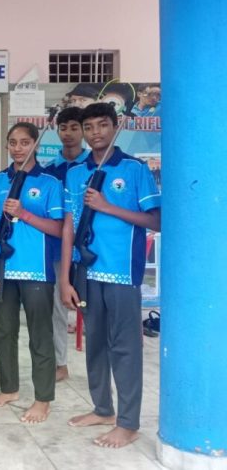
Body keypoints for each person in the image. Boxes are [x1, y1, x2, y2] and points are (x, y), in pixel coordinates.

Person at [60, 102, 161, 448]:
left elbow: (156, 221)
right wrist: (64, 277)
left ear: (116, 127)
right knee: (95, 346)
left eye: (103, 125)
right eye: (89, 127)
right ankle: (103, 408)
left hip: (121, 272)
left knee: (125, 348)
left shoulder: (134, 169)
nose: (95, 133)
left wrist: (107, 207)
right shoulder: (75, 173)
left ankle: (128, 422)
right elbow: (70, 223)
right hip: (86, 271)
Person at [0, 123, 64, 424]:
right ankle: (9, 389)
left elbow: (58, 229)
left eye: (25, 142)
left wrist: (24, 213)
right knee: (3, 332)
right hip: (2, 268)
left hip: (37, 272)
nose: (18, 148)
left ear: (35, 145)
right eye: (12, 142)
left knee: (40, 336)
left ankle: (43, 399)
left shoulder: (51, 184)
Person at [43, 107, 89, 382]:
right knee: (56, 308)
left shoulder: (95, 166)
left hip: (90, 250)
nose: (68, 133)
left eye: (75, 127)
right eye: (64, 128)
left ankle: (102, 366)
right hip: (58, 249)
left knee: (93, 308)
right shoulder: (50, 172)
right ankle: (60, 363)